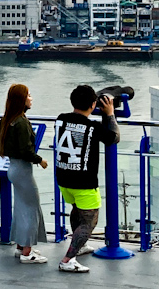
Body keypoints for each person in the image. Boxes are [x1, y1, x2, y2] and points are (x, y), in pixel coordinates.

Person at [51, 84, 120, 273]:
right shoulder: (93, 127)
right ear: (93, 104)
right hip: (84, 182)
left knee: (77, 211)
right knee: (89, 221)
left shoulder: (61, 119)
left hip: (63, 178)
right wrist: (110, 114)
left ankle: (78, 247)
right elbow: (114, 137)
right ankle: (67, 259)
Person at [0, 84, 49, 263]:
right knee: (31, 208)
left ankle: (20, 246)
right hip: (23, 170)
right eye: (28, 95)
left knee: (21, 208)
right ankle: (27, 252)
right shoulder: (22, 122)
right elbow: (26, 150)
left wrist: (8, 147)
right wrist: (40, 160)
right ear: (21, 99)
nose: (31, 98)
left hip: (13, 168)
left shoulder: (8, 119)